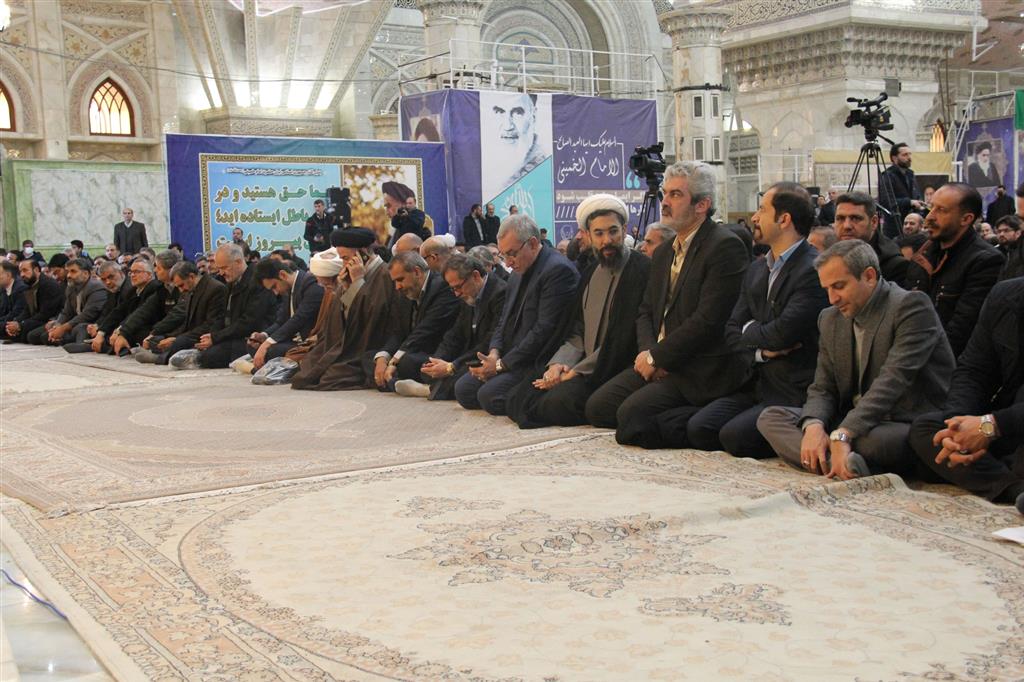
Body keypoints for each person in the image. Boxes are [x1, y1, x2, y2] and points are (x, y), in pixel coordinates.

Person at [583, 161, 749, 447]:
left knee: (631, 421)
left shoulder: (724, 246)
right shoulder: (663, 252)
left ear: (702, 205)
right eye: (665, 193)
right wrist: (649, 355)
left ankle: (708, 416)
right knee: (598, 407)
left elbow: (708, 321)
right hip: (660, 359)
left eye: (676, 195)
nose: (665, 202)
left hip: (697, 366)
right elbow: (646, 311)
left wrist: (659, 358)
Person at [757, 240, 954, 479]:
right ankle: (840, 464)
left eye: (839, 286)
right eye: (827, 289)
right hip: (851, 417)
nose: (832, 298)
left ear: (869, 276)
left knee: (872, 442)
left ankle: (839, 458)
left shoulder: (910, 306)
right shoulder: (829, 318)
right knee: (771, 418)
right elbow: (823, 387)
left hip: (899, 420)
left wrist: (844, 434)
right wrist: (814, 425)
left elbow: (891, 382)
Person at [686, 183, 829, 457]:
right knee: (700, 428)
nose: (754, 217)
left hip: (791, 390)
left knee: (734, 437)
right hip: (756, 382)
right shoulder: (757, 269)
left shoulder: (812, 269)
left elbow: (783, 333)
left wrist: (750, 330)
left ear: (784, 220)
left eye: (762, 210)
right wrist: (761, 352)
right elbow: (731, 329)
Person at [505, 194, 650, 428]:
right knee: (519, 395)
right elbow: (577, 329)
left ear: (624, 230)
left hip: (613, 365)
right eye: (599, 233)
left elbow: (623, 339)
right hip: (582, 362)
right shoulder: (591, 272)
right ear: (588, 236)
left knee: (560, 401)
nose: (607, 240)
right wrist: (560, 364)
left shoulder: (641, 270)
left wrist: (576, 372)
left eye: (613, 231)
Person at [909, 278, 1024, 514]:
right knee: (926, 429)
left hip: (1008, 422)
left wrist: (991, 426)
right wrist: (958, 427)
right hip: (1003, 424)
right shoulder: (1004, 296)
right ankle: (1014, 488)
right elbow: (974, 370)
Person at [454, 214, 579, 415]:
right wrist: (494, 352)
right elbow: (503, 320)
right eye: (503, 255)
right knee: (464, 389)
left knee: (488, 396)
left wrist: (501, 365)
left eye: (512, 254)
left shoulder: (557, 270)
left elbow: (544, 330)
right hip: (511, 354)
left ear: (533, 243)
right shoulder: (516, 273)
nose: (508, 262)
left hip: (536, 358)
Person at [291, 228, 405, 391]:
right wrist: (345, 287)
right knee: (306, 371)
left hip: (366, 345)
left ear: (363, 253)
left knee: (330, 377)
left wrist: (358, 282)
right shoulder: (350, 276)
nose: (344, 264)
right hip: (348, 343)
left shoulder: (385, 275)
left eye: (346, 258)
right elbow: (341, 318)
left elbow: (373, 317)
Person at [904, 183, 1005, 357]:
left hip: (947, 362)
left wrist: (921, 360)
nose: (930, 216)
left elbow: (962, 328)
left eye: (941, 210)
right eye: (931, 207)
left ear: (966, 219)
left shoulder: (985, 260)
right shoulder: (924, 253)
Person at [395, 253, 509, 400]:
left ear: (475, 276)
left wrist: (452, 366)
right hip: (465, 354)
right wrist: (436, 360)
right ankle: (436, 384)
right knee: (412, 363)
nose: (456, 294)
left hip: (486, 357)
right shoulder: (467, 294)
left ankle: (430, 390)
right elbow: (454, 335)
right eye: (453, 289)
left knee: (464, 385)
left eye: (458, 287)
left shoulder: (499, 293)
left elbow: (489, 341)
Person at [371, 251, 460, 389]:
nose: (397, 287)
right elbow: (399, 332)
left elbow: (425, 331)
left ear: (417, 272)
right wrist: (383, 358)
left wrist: (394, 361)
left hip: (435, 351)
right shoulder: (406, 293)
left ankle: (401, 383)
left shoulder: (443, 287)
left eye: (400, 280)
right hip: (413, 348)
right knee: (370, 357)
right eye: (395, 282)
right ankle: (393, 380)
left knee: (406, 362)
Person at [187, 244, 277, 369]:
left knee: (209, 357)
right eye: (219, 268)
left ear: (238, 262)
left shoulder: (257, 281)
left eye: (224, 268)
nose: (221, 273)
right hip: (231, 335)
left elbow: (249, 322)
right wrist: (212, 336)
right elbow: (222, 316)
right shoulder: (231, 281)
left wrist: (216, 338)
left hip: (250, 337)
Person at [136, 260, 226, 365]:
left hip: (204, 335)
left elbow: (211, 324)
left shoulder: (215, 289)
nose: (181, 290)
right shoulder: (189, 290)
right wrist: (168, 336)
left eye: (181, 285)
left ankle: (161, 358)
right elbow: (186, 323)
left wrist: (176, 338)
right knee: (157, 339)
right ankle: (167, 351)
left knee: (179, 342)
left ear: (191, 277)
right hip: (190, 333)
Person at [66, 259, 160, 354]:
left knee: (135, 334)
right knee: (83, 328)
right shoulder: (133, 290)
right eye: (131, 272)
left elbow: (138, 315)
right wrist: (100, 330)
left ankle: (97, 346)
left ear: (149, 274)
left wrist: (119, 331)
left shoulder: (153, 287)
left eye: (137, 272)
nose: (132, 275)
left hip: (145, 328)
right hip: (126, 326)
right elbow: (115, 312)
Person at [249, 257, 324, 369]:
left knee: (271, 350)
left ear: (282, 275)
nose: (275, 292)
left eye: (274, 286)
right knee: (254, 345)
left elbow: (298, 319)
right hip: (293, 340)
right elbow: (281, 322)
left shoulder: (311, 284)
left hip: (310, 343)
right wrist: (264, 335)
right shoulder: (288, 289)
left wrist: (268, 343)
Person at [109, 250, 181, 355]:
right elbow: (143, 311)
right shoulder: (162, 288)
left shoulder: (180, 288)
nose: (155, 270)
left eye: (158, 268)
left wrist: (154, 333)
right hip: (165, 329)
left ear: (171, 270)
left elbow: (177, 315)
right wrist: (123, 332)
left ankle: (160, 356)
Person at [833, 191, 909, 286]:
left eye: (855, 218)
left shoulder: (894, 265)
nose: (846, 226)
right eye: (840, 218)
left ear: (874, 222)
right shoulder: (829, 252)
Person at [27, 258, 107, 346]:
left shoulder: (96, 287)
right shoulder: (71, 287)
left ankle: (77, 343)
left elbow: (88, 315)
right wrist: (58, 325)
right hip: (74, 323)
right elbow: (66, 312)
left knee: (79, 329)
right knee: (35, 336)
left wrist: (63, 328)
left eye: (73, 271)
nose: (68, 275)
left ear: (85, 273)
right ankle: (66, 339)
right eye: (68, 271)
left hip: (89, 324)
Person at [2, 259, 63, 342]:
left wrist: (20, 325)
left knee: (30, 335)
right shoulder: (29, 285)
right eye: (20, 271)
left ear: (36, 270)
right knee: (10, 328)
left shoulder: (48, 285)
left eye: (25, 270)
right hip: (37, 319)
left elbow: (45, 314)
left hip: (50, 320)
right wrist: (15, 322)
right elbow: (27, 311)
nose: (22, 274)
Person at [877, 142, 925, 238]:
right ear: (895, 158)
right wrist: (909, 202)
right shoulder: (887, 176)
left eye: (909, 154)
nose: (909, 157)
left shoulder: (910, 174)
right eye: (905, 155)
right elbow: (886, 201)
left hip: (912, 227)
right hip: (894, 227)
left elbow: (916, 195)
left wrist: (920, 204)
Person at [383, 182, 428, 248]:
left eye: (388, 206)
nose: (386, 212)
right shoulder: (395, 229)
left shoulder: (418, 216)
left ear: (403, 203)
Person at [995, 215, 1024, 281]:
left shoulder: (1021, 251)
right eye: (999, 231)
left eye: (1006, 230)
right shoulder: (996, 252)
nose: (1001, 234)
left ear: (1018, 233)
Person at [0, 260, 27, 328]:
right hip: (6, 320)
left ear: (8, 275)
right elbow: (2, 309)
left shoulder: (21, 288)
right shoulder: (3, 288)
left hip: (18, 322)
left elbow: (16, 313)